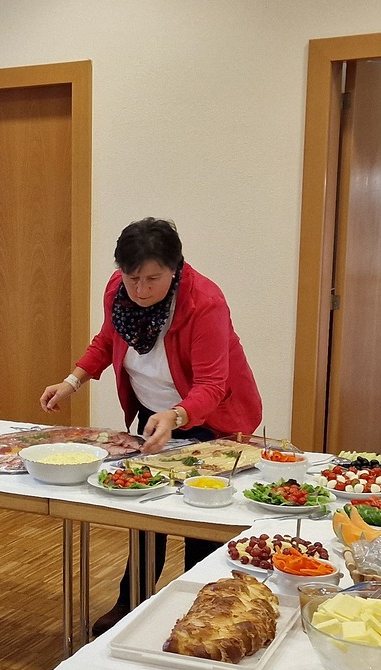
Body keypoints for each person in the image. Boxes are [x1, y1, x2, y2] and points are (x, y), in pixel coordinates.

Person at [41, 217, 263, 635]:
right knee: (146, 509)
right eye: (132, 278)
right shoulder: (118, 290)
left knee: (199, 521)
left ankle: (203, 615)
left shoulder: (205, 302)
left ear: (174, 269)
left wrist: (177, 416)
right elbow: (106, 341)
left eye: (152, 279)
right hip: (155, 415)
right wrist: (72, 382)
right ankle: (132, 602)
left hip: (211, 419)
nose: (140, 290)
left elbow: (212, 384)